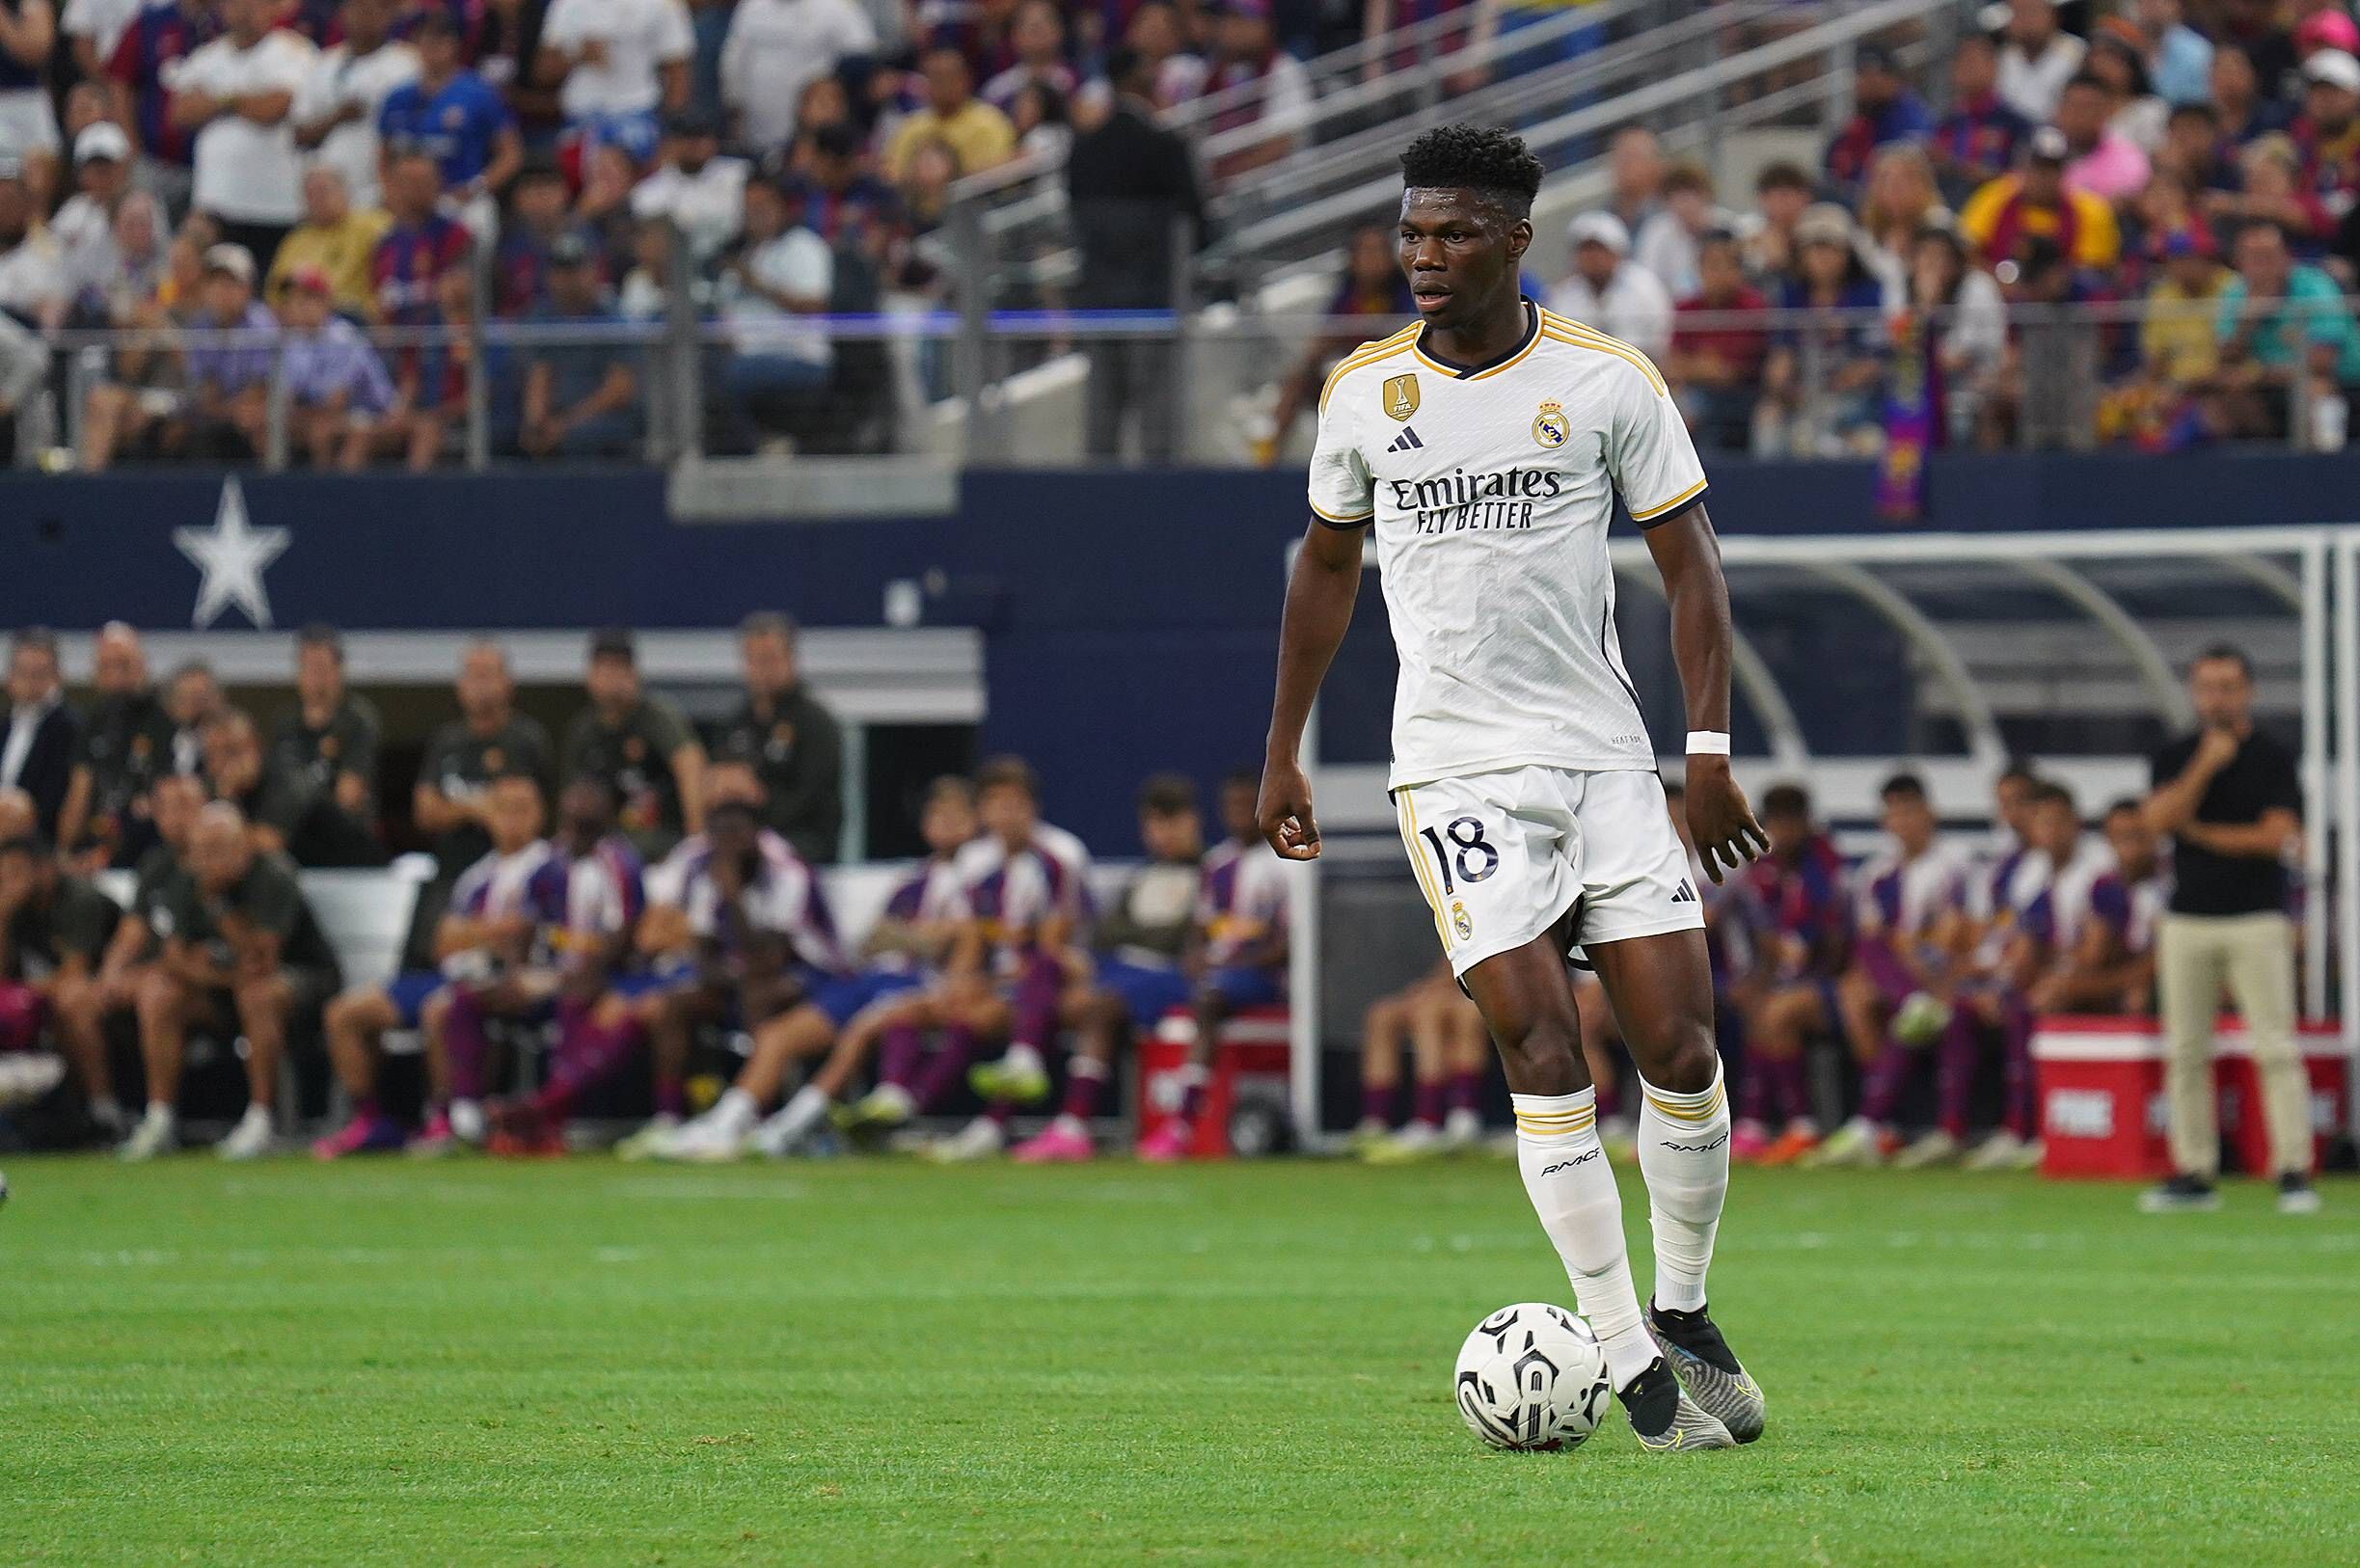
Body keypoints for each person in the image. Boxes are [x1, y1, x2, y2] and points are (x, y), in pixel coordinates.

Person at [1261, 124, 1768, 1452]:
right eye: (1410, 232)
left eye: (1451, 233)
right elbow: (1321, 570)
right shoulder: (1363, 393)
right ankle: (1623, 1363)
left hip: (1603, 758)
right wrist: (1281, 750)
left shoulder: (1602, 382)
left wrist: (1702, 758)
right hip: (1452, 765)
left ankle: (1683, 1307)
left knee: (1682, 1047)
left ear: (1513, 239)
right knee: (1540, 1047)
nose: (1422, 256)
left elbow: (1691, 567)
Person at [2139, 646, 2314, 1215]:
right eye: (2209, 687)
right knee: (2186, 1050)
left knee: (2275, 1045)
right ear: (2194, 692)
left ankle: (2292, 1168)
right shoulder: (2176, 754)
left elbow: (2274, 837)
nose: (2219, 697)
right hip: (2187, 916)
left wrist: (2202, 833)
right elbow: (2157, 824)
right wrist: (2204, 768)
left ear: (2249, 692)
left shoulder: (2274, 758)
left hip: (2257, 917)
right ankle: (2194, 1170)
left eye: (2230, 686)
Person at [312, 769, 560, 1156]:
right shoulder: (477, 875)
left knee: (439, 1010)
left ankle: (445, 1118)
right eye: (503, 809)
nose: (511, 818)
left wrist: (474, 932)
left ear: (541, 814)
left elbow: (519, 936)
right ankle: (371, 1120)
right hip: (451, 973)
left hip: (507, 982)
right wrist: (486, 932)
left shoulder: (549, 867)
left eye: (522, 809)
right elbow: (442, 942)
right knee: (344, 1013)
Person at [120, 801, 342, 1160]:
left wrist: (219, 907)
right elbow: (174, 957)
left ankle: (261, 1120)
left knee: (258, 995)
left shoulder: (273, 874)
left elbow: (262, 960)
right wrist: (220, 974)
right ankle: (159, 1117)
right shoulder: (186, 880)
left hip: (303, 981)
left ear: (245, 845)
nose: (211, 860)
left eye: (221, 848)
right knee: (160, 991)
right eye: (203, 851)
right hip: (225, 987)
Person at [1001, 772, 1201, 1164]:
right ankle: (1020, 1069)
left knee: (1098, 1004)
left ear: (1191, 821)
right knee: (1050, 965)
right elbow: (1108, 932)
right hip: (1118, 970)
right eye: (1152, 824)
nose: (1160, 833)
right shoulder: (1141, 877)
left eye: (1170, 822)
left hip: (1165, 979)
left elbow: (1180, 940)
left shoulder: (1207, 874)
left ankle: (1073, 1124)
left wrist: (1142, 935)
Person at [1805, 772, 1976, 1170]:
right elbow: (1874, 941)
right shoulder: (1876, 874)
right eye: (1895, 814)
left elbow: (1960, 932)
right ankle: (1879, 1128)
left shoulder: (1955, 861)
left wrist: (1925, 962)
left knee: (1906, 998)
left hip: (1942, 973)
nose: (1903, 822)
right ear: (1886, 822)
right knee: (1859, 988)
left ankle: (1871, 1124)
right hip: (1900, 980)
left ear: (1929, 814)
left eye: (1910, 812)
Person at [1129, 769, 1289, 1161]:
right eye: (1231, 807)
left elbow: (1288, 946)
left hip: (1264, 978)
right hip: (1219, 977)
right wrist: (1197, 959)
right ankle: (1159, 1119)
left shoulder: (1286, 861)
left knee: (1208, 1000)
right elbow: (1200, 932)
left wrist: (1237, 963)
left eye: (1246, 805)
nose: (1238, 815)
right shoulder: (1218, 864)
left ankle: (1182, 1125)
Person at [1064, 44, 1202, 464]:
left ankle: (1097, 510)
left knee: (1101, 416)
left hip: (1099, 300)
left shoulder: (1084, 149)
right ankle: (1160, 508)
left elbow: (1074, 215)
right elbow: (1198, 220)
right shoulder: (1166, 147)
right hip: (1154, 299)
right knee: (1157, 419)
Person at [51, 770, 203, 1138]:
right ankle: (104, 1116)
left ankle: (159, 1118)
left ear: (204, 806)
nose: (176, 816)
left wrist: (144, 975)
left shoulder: (219, 858)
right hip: (156, 975)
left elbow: (195, 955)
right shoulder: (157, 863)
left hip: (208, 987)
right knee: (76, 999)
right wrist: (110, 975)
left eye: (185, 805)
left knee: (157, 992)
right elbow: (132, 931)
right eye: (166, 807)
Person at [1727, 783, 1850, 1164]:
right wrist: (1760, 983)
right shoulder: (1763, 871)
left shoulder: (1826, 870)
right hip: (1785, 980)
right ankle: (1754, 1124)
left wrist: (1798, 978)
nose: (1783, 833)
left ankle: (1801, 1125)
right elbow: (1766, 943)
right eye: (1776, 825)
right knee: (1757, 1006)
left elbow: (1835, 945)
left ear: (1805, 824)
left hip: (1830, 982)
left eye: (1790, 824)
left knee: (1777, 1013)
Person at [171, 0, 316, 270]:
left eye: (254, 4)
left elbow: (274, 108)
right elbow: (181, 112)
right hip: (216, 203)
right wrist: (242, 100)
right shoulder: (206, 57)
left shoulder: (293, 51)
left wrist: (219, 101)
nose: (245, 11)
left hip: (275, 207)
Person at [1261, 224, 1415, 465]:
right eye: (1366, 251)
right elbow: (1322, 342)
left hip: (1399, 383)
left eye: (1379, 251)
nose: (1373, 259)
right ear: (1353, 259)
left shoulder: (1407, 295)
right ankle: (1266, 458)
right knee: (1299, 379)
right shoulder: (1345, 297)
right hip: (1351, 381)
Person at [0, 834, 121, 1130]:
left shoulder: (79, 899)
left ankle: (104, 1112)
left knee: (72, 1003)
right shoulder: (16, 910)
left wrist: (23, 992)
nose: (10, 882)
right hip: (56, 994)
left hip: (115, 988)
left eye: (17, 872)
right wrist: (2, 915)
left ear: (45, 869)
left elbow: (74, 975)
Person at [562, 626, 704, 857]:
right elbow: (571, 799)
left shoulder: (656, 717)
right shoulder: (584, 730)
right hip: (602, 854)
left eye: (620, 667)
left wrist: (696, 845)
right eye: (604, 668)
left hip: (661, 848)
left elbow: (690, 765)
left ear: (634, 673)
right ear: (590, 675)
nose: (612, 678)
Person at [711, 612, 842, 862]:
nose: (762, 670)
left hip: (802, 843)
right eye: (753, 660)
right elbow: (721, 776)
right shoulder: (736, 722)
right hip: (742, 839)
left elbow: (812, 799)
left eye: (770, 659)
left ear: (791, 660)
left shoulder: (816, 723)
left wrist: (759, 797)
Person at [375, 9, 519, 225]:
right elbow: (383, 155)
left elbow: (511, 153)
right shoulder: (397, 96)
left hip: (460, 198)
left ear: (453, 45)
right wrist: (392, 194)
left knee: (477, 219)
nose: (432, 48)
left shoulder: (478, 93)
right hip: (406, 201)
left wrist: (476, 187)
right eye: (426, 40)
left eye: (440, 40)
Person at [2029, 797, 2164, 1018]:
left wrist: (2084, 986)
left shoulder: (2169, 887)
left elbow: (2157, 961)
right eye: (2120, 836)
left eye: (2137, 834)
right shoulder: (2098, 884)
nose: (2129, 844)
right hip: (2118, 976)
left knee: (2137, 996)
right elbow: (2092, 952)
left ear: (2155, 835)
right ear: (2108, 838)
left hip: (2151, 981)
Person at [57, 622, 175, 869]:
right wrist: (65, 852)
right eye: (105, 667)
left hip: (149, 854)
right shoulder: (92, 723)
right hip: (92, 852)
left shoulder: (165, 719)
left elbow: (163, 798)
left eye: (123, 664)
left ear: (142, 665)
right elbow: (79, 792)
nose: (115, 676)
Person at [518, 233, 641, 459]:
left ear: (593, 271)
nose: (568, 279)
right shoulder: (543, 316)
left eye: (576, 270)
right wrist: (536, 422)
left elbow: (619, 390)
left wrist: (565, 424)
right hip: (558, 415)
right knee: (524, 436)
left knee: (582, 436)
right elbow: (540, 375)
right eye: (562, 270)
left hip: (602, 416)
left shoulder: (612, 316)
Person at [1350, 958, 1488, 1158]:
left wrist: (1437, 988)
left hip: (1480, 994)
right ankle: (1375, 1121)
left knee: (1430, 1012)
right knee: (1382, 1015)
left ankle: (1434, 1119)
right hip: (1444, 990)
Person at [269, 624, 382, 864]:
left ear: (339, 671)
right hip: (292, 840)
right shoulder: (286, 723)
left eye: (323, 669)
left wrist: (297, 801)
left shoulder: (356, 720)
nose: (317, 679)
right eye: (309, 669)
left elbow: (349, 796)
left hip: (343, 839)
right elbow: (276, 790)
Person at [289, 0, 417, 212]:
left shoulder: (407, 64)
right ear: (342, 14)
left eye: (373, 10)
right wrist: (337, 117)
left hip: (378, 191)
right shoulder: (324, 62)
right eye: (356, 9)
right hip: (325, 193)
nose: (364, 17)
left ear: (389, 15)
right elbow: (298, 133)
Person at [538, 0, 692, 165]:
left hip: (637, 114)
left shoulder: (662, 4)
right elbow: (544, 72)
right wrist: (579, 53)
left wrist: (672, 133)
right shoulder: (568, 4)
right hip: (581, 118)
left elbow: (678, 73)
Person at [277, 263, 397, 469]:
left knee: (326, 431)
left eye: (307, 298)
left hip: (377, 415)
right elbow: (288, 399)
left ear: (325, 302)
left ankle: (334, 496)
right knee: (271, 428)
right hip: (327, 416)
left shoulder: (343, 337)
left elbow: (336, 401)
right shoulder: (292, 342)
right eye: (294, 298)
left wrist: (301, 414)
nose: (298, 305)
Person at [719, 0, 874, 154]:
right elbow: (733, 60)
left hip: (815, 134)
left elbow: (861, 57)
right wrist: (734, 106)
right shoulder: (751, 6)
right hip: (756, 129)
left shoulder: (836, 7)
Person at [265, 167, 390, 320]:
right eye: (310, 194)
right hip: (300, 324)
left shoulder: (371, 225)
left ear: (345, 192)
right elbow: (275, 293)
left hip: (353, 319)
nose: (317, 199)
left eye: (323, 191)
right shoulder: (296, 239)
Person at [1544, 211, 1670, 361]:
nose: (1593, 257)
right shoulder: (1562, 294)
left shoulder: (1645, 287)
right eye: (1586, 249)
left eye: (1600, 249)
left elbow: (1660, 341)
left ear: (1617, 252)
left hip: (1639, 367)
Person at [885, 43, 1014, 184]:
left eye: (948, 77)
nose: (942, 85)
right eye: (935, 78)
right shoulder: (912, 126)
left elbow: (994, 177)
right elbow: (894, 176)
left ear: (965, 79)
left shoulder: (988, 122)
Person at [1824, 44, 1934, 192]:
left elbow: (1903, 173)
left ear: (1893, 79)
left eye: (1874, 76)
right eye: (1861, 75)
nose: (1867, 83)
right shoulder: (1862, 121)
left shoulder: (1911, 119)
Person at [1, 628, 77, 840]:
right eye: (23, 672)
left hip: (38, 843)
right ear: (10, 676)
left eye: (39, 674)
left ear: (57, 676)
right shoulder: (5, 725)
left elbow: (56, 797)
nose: (30, 682)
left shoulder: (69, 729)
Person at [1997, 0, 2084, 125]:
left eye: (2032, 12)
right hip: (2013, 138)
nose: (2026, 21)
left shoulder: (2077, 54)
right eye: (2018, 13)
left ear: (2053, 16)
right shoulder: (2001, 59)